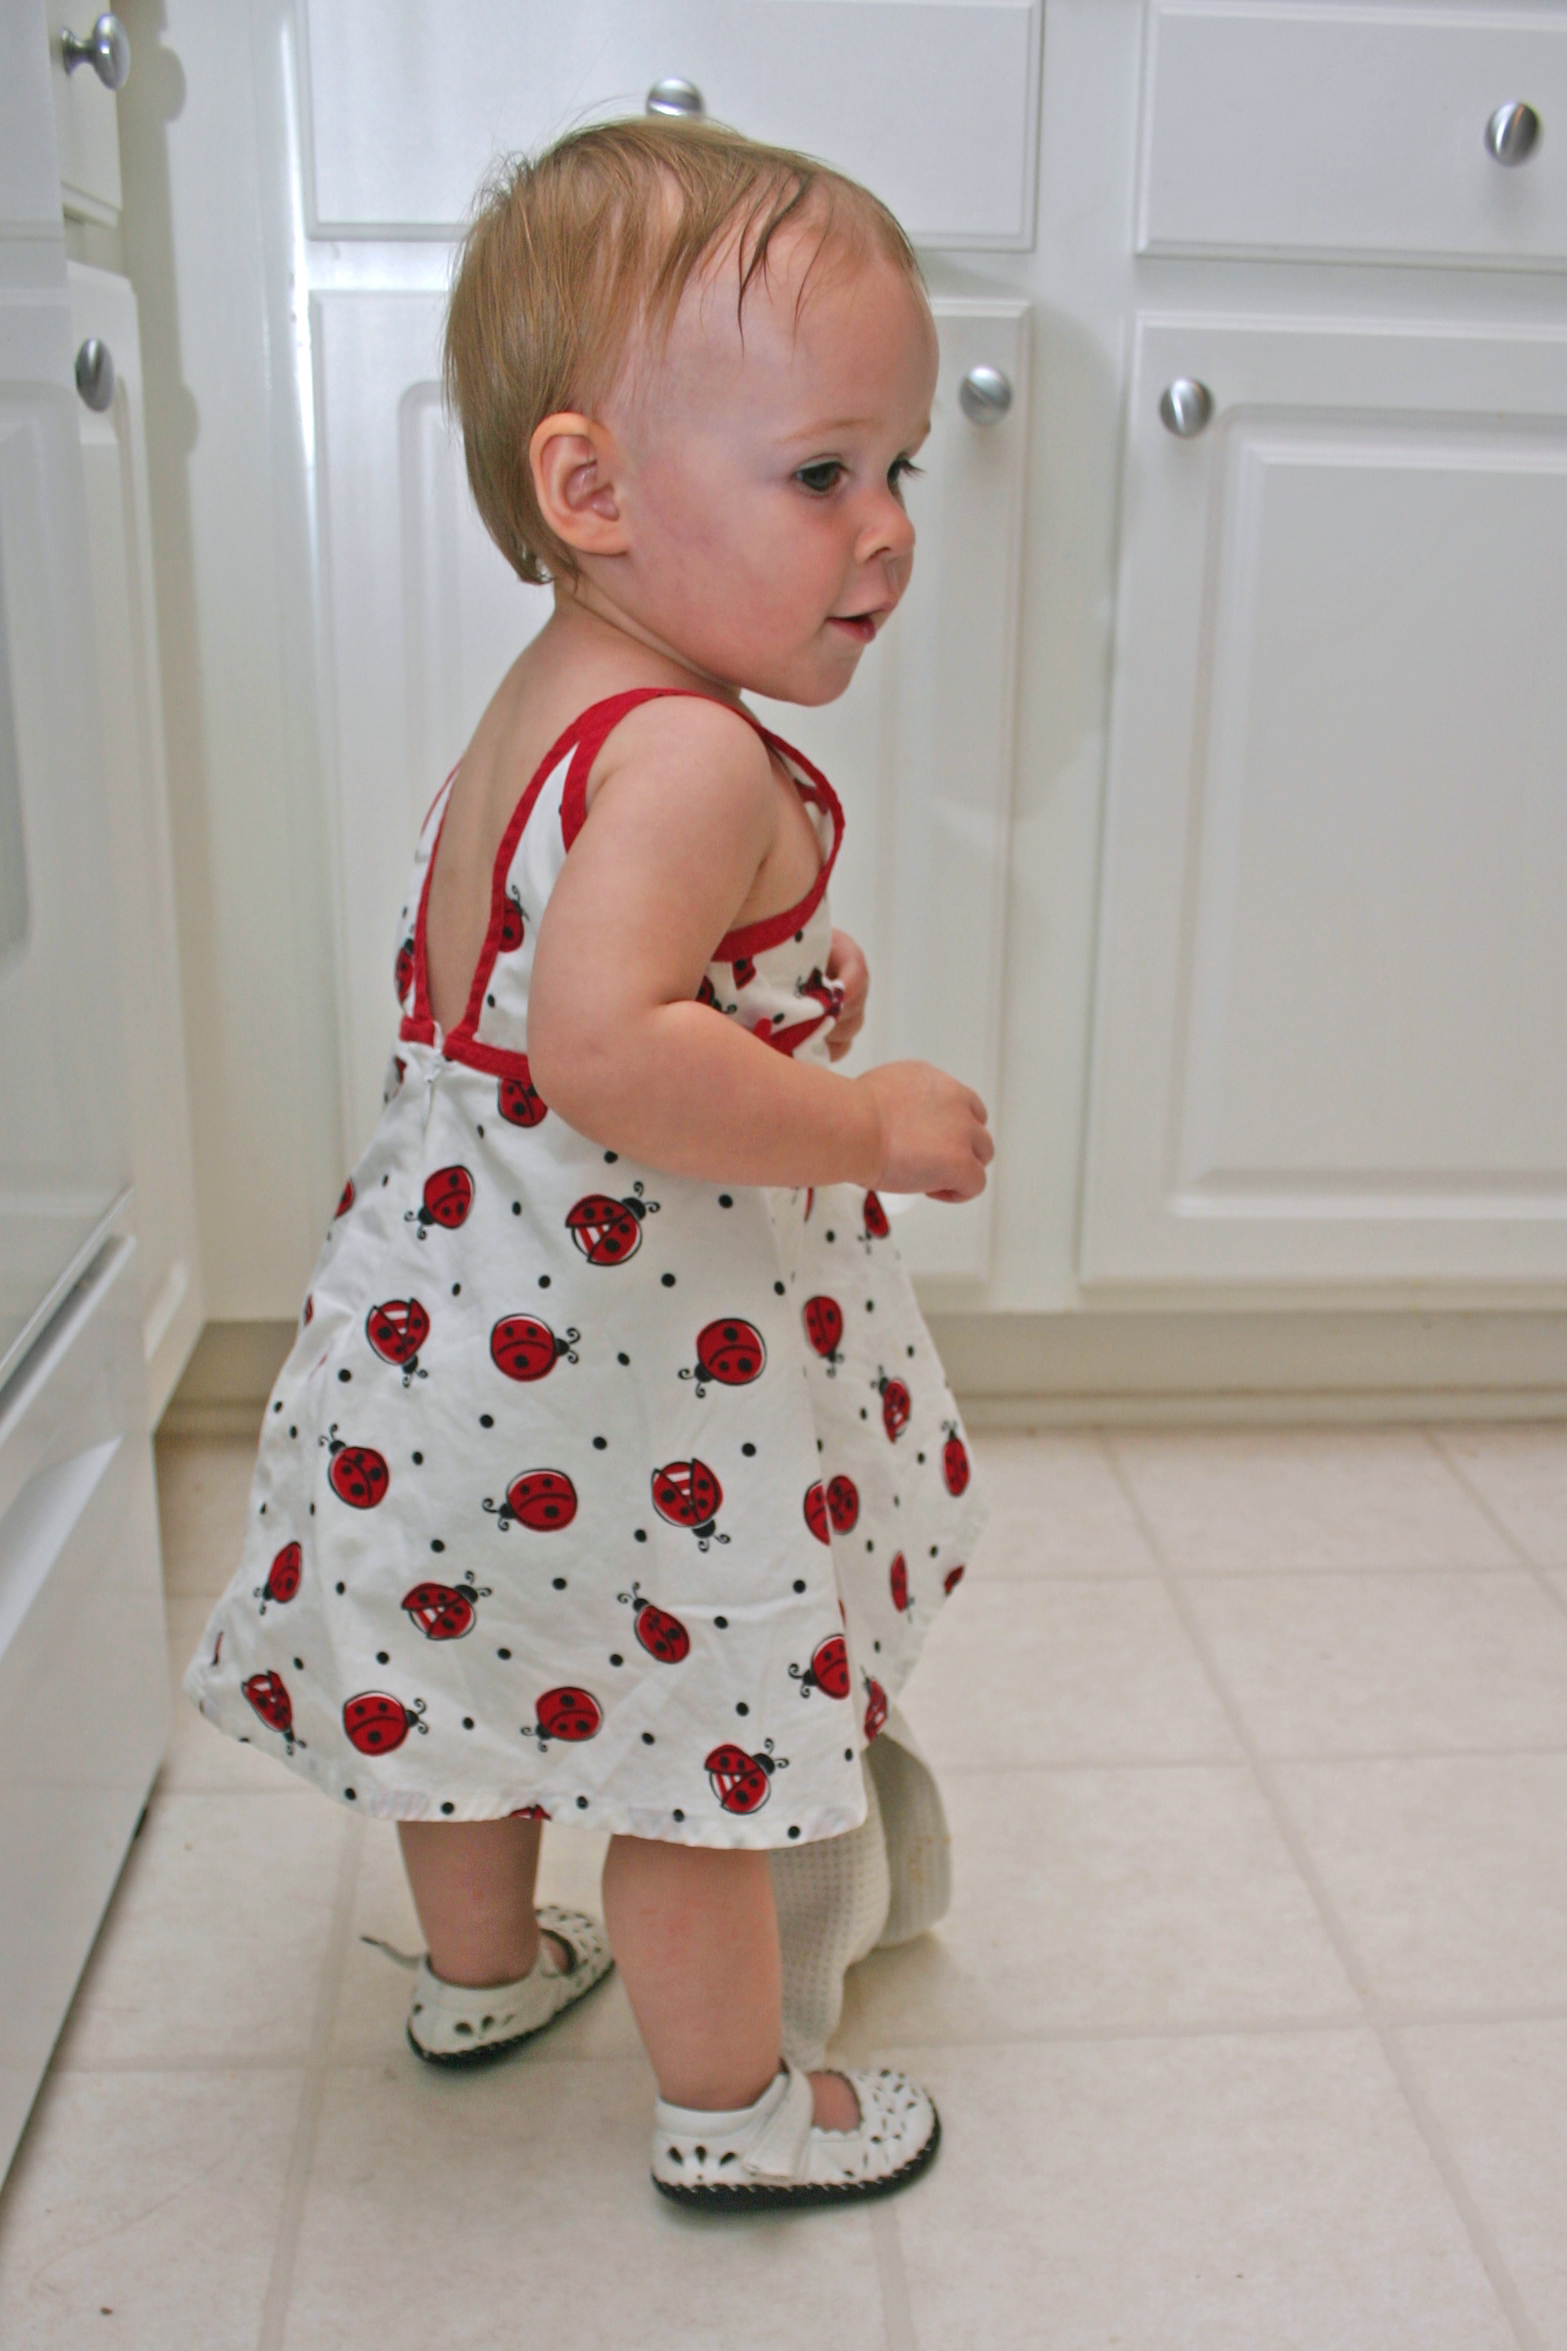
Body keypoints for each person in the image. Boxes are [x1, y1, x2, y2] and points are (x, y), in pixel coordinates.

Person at [186, 116, 991, 2209]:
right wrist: (868, 1121)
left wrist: (776, 988)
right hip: (630, 1377)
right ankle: (737, 2110)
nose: (890, 530)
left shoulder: (552, 702)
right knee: (688, 1744)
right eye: (824, 473)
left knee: (477, 1670)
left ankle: (478, 1978)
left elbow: (547, 981)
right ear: (592, 489)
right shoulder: (699, 747)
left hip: (446, 1336)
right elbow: (614, 1049)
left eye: (900, 467)